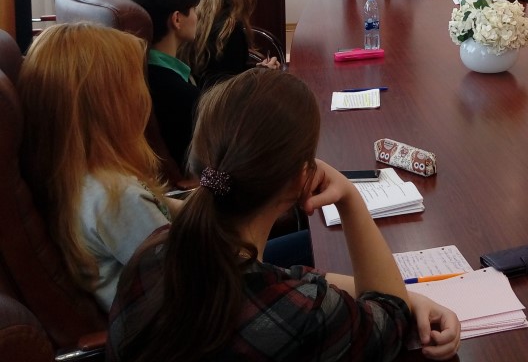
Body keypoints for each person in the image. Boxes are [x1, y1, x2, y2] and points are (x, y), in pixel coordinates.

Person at [107, 68, 461, 361]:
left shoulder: (154, 250)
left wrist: (414, 298)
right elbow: (391, 317)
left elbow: (286, 278)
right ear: (301, 179)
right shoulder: (300, 316)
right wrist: (350, 198)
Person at [18, 23, 174, 312]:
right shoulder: (116, 198)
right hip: (180, 324)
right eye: (135, 83)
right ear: (109, 106)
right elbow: (191, 280)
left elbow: (165, 210)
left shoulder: (77, 180)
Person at [121, 0, 203, 177]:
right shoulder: (181, 94)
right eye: (193, 9)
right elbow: (197, 165)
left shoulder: (138, 69)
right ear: (177, 19)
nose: (198, 15)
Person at [186, 0, 280, 88]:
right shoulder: (230, 29)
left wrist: (257, 70)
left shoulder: (197, 17)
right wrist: (263, 75)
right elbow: (231, 86)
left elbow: (224, 71)